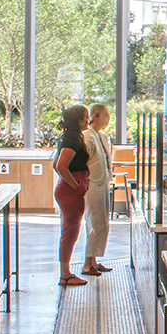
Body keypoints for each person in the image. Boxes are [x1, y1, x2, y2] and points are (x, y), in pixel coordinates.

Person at [50, 105, 91, 287]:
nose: (88, 121)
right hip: (70, 190)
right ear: (78, 120)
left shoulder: (70, 136)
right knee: (70, 231)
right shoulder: (72, 138)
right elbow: (60, 165)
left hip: (69, 187)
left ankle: (65, 273)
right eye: (86, 117)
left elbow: (55, 164)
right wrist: (75, 185)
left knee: (70, 230)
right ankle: (65, 274)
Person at [80, 103, 114, 276]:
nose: (107, 118)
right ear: (96, 115)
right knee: (94, 221)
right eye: (105, 114)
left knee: (102, 222)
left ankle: (94, 259)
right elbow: (83, 160)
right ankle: (87, 262)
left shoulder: (101, 137)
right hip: (92, 184)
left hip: (102, 182)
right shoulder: (88, 137)